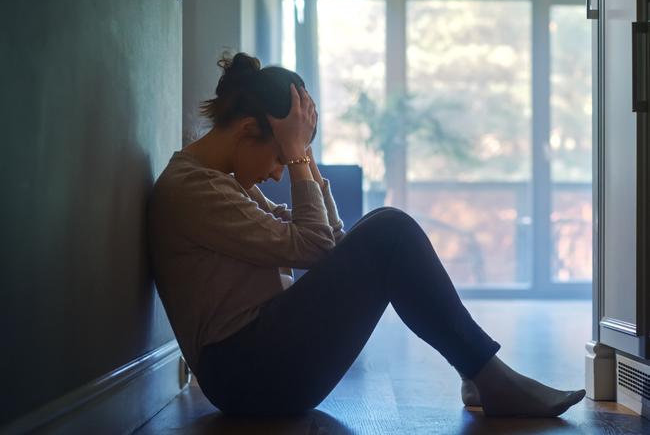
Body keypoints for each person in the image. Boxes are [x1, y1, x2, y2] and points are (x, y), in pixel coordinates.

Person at [147, 51, 586, 418]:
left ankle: (482, 376)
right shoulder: (194, 189)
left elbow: (328, 246)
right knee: (390, 229)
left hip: (262, 362)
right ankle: (488, 377)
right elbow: (316, 245)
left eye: (288, 160)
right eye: (281, 157)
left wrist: (305, 160)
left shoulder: (220, 184)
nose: (278, 173)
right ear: (247, 131)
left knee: (386, 228)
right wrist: (299, 158)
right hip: (247, 377)